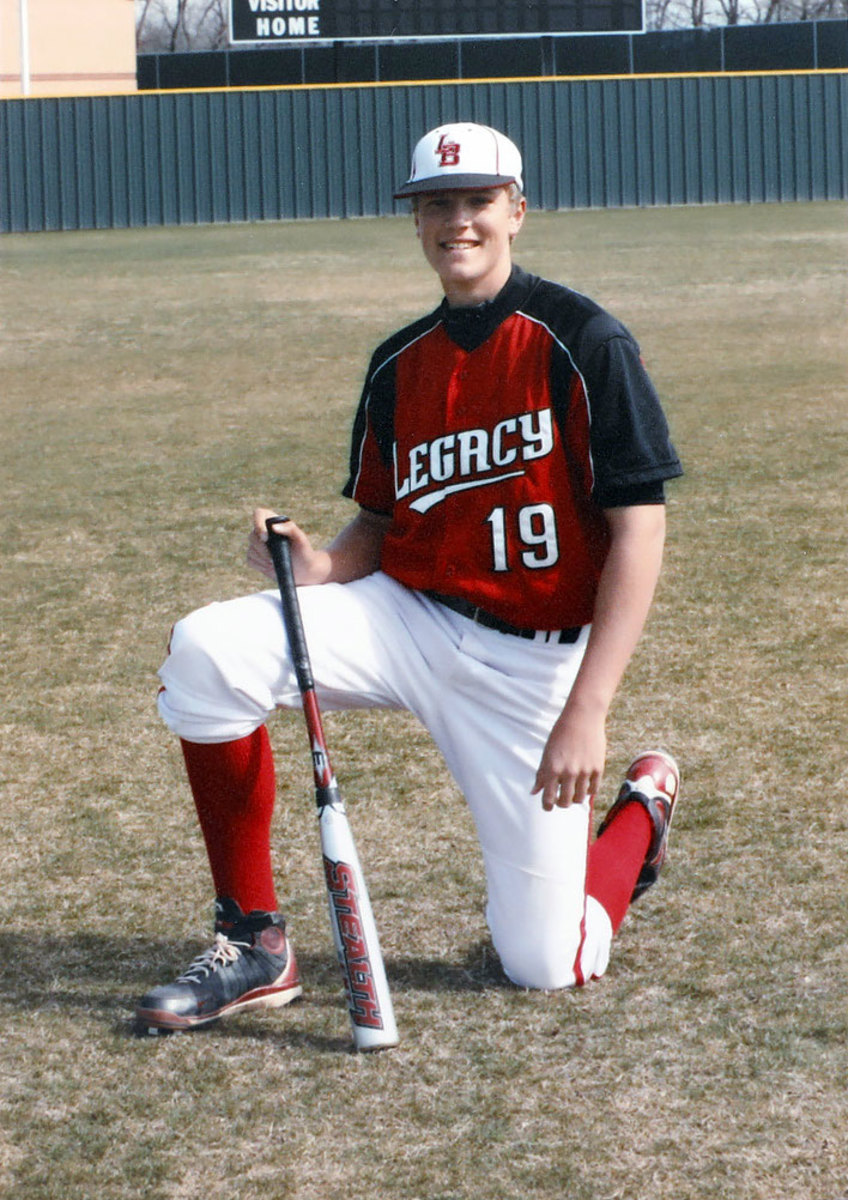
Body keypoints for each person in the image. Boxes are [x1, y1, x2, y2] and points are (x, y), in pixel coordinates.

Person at [136, 123, 683, 1033]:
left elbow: (639, 532)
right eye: (436, 204)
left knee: (549, 964)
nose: (456, 221)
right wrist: (317, 566)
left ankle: (643, 810)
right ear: (416, 220)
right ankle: (257, 943)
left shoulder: (583, 341)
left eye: (476, 202)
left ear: (517, 210)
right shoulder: (399, 363)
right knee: (207, 651)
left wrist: (587, 708)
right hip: (408, 619)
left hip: (533, 667)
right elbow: (384, 524)